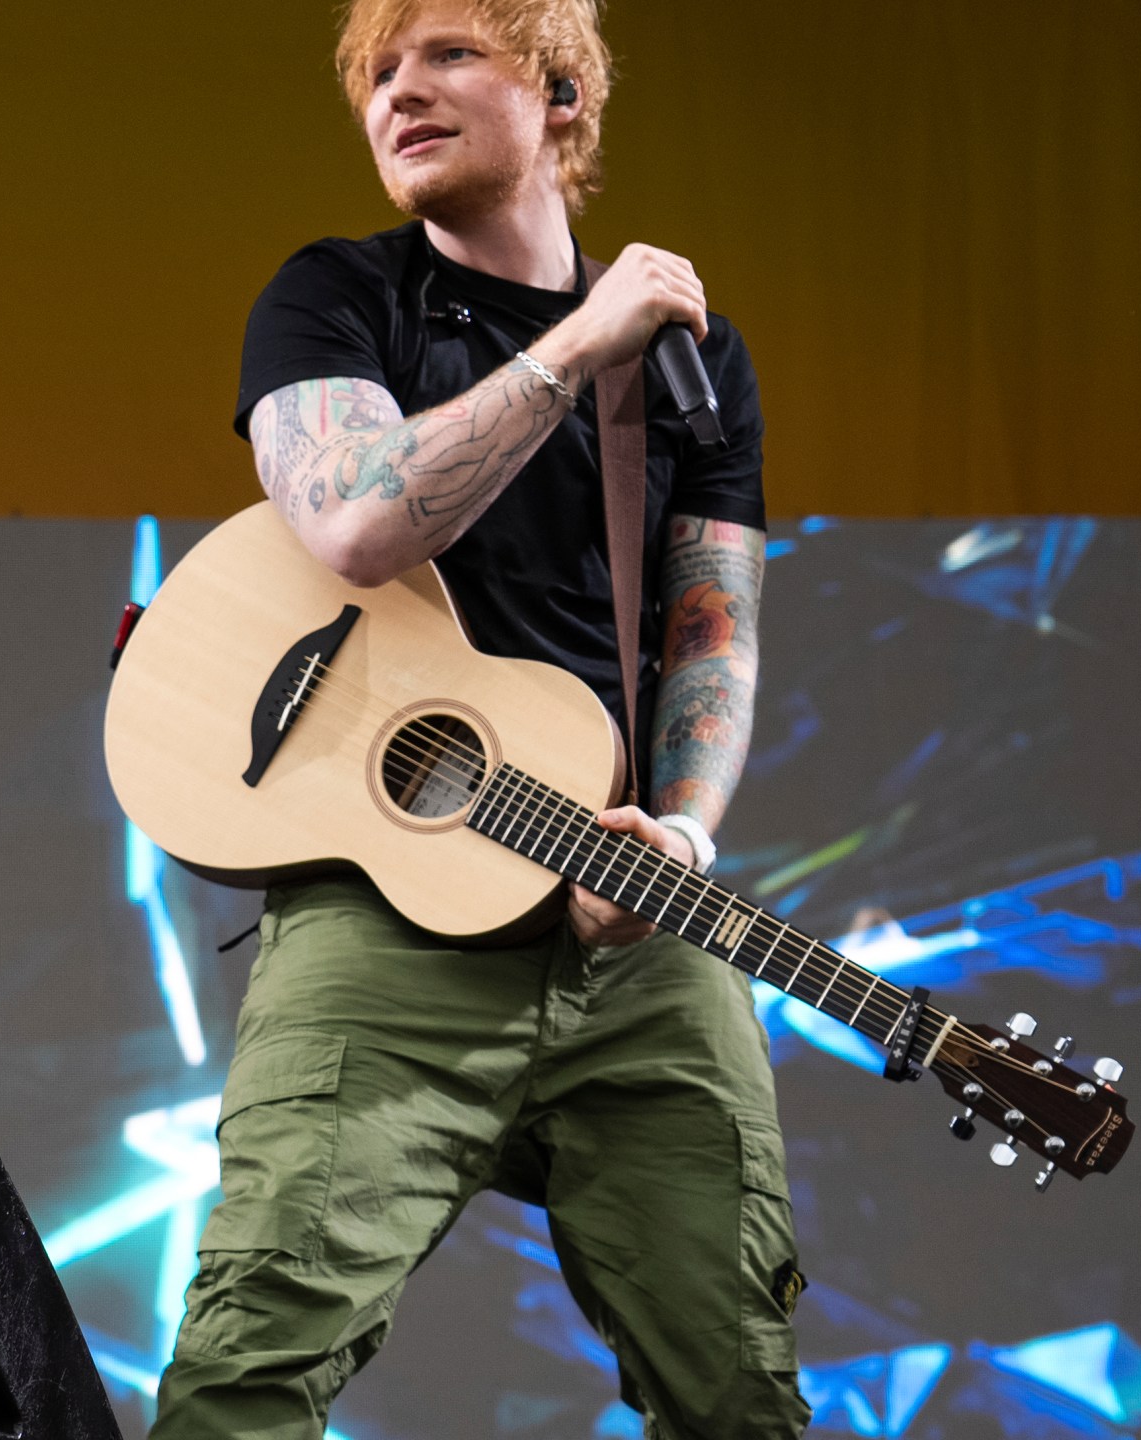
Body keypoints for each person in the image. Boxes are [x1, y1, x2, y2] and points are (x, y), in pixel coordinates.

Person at [151, 0, 807, 1434]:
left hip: (625, 924)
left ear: (560, 89)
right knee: (248, 1369)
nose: (400, 92)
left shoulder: (693, 365)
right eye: (377, 72)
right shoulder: (335, 295)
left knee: (742, 1392)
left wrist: (683, 836)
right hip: (380, 927)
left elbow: (713, 632)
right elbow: (353, 523)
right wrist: (574, 347)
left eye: (449, 53)